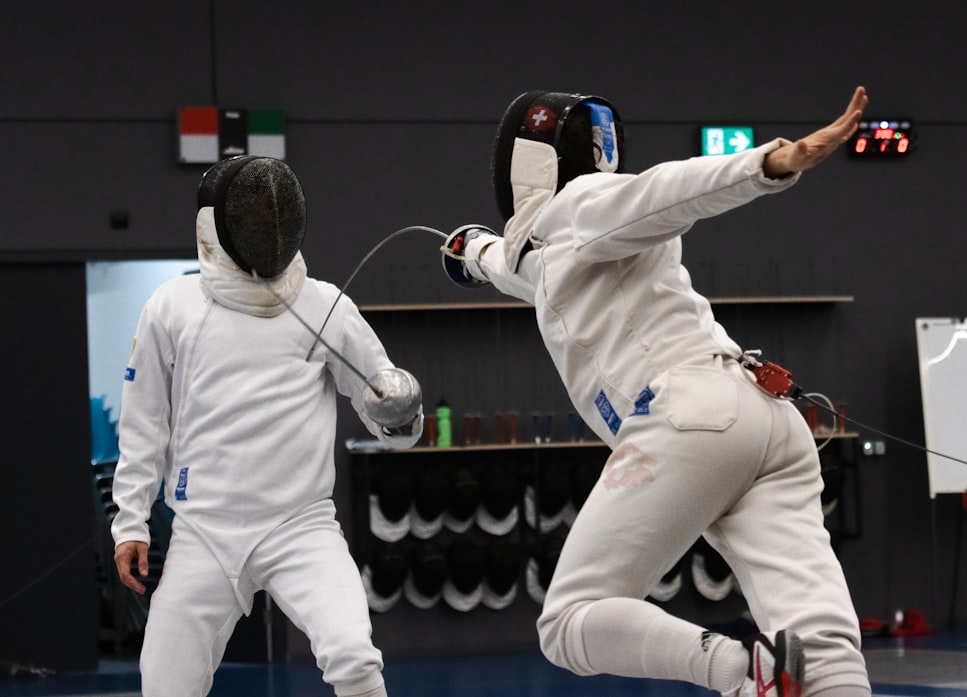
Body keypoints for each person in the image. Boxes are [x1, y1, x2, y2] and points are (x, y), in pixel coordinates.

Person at [441, 87, 872, 697]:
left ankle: (744, 676)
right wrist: (471, 252)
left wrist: (770, 163)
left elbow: (665, 191)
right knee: (820, 643)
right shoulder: (565, 244)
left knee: (569, 621)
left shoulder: (585, 203)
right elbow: (521, 266)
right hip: (766, 421)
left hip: (691, 419)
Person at [112, 155, 423, 697]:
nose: (267, 228)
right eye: (253, 218)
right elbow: (145, 421)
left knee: (353, 656)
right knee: (164, 685)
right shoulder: (172, 306)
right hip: (204, 529)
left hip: (300, 525)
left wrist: (400, 417)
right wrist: (131, 521)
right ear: (217, 224)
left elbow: (387, 407)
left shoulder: (324, 305)